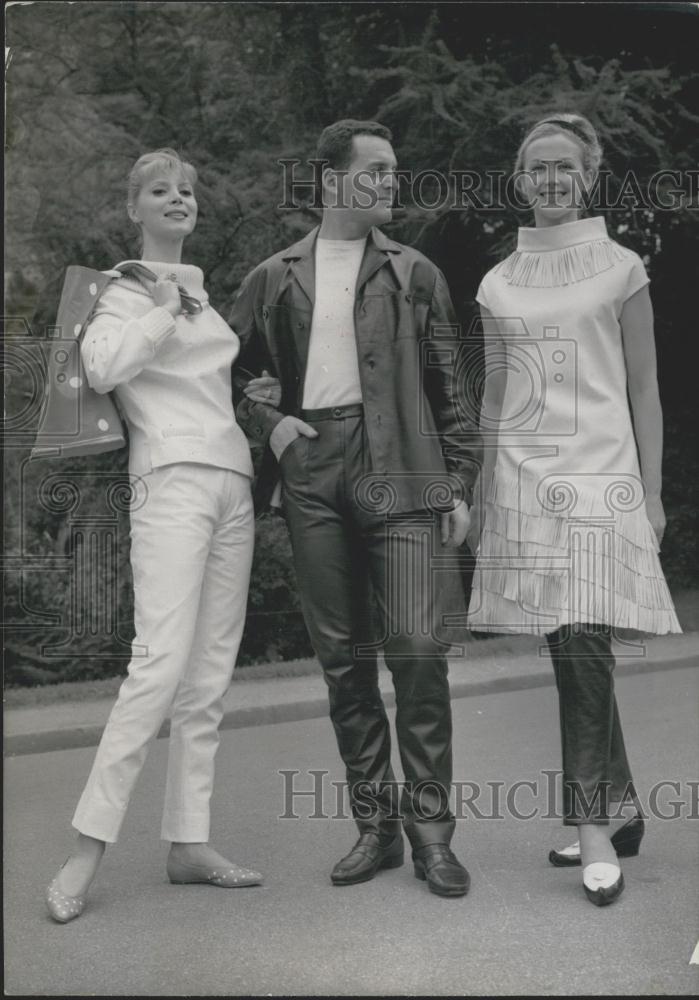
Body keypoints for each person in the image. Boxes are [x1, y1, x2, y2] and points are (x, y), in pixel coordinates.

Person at [229, 119, 481, 898]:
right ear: (333, 180)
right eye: (376, 170)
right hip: (314, 467)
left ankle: (432, 835)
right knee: (344, 660)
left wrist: (461, 483)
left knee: (417, 652)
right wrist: (271, 427)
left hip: (403, 465)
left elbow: (450, 390)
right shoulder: (273, 277)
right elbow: (228, 374)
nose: (390, 183)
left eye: (394, 170)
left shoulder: (417, 274)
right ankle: (375, 829)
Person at [45, 148, 281, 923]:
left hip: (230, 483)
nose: (177, 198)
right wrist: (158, 308)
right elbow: (105, 367)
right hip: (169, 482)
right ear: (133, 209)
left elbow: (208, 386)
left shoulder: (204, 301)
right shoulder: (124, 292)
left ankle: (188, 843)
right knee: (158, 665)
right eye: (159, 190)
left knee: (208, 678)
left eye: (185, 189)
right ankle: (87, 848)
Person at [467, 113, 681, 906]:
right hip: (525, 481)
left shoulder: (620, 268)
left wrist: (652, 493)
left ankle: (592, 825)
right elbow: (494, 392)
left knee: (585, 643)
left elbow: (644, 390)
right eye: (535, 169)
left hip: (602, 479)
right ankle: (618, 808)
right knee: (568, 649)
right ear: (519, 181)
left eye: (563, 167)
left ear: (586, 175)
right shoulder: (496, 282)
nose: (549, 180)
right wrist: (486, 488)